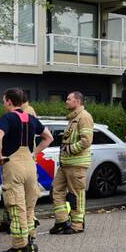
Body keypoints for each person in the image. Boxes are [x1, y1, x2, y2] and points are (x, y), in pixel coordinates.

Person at [0, 88, 53, 252]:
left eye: (4, 100)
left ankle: (20, 247)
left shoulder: (7, 118)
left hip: (14, 165)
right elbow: (48, 137)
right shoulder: (32, 119)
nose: (4, 103)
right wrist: (34, 153)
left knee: (16, 206)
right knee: (29, 206)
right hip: (30, 165)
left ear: (9, 101)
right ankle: (31, 241)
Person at [49, 91, 93, 235]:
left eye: (69, 99)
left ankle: (77, 224)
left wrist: (69, 149)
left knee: (75, 195)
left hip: (76, 164)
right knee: (56, 190)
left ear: (78, 101)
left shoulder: (84, 117)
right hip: (66, 164)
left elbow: (86, 141)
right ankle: (61, 222)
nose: (66, 102)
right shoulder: (73, 118)